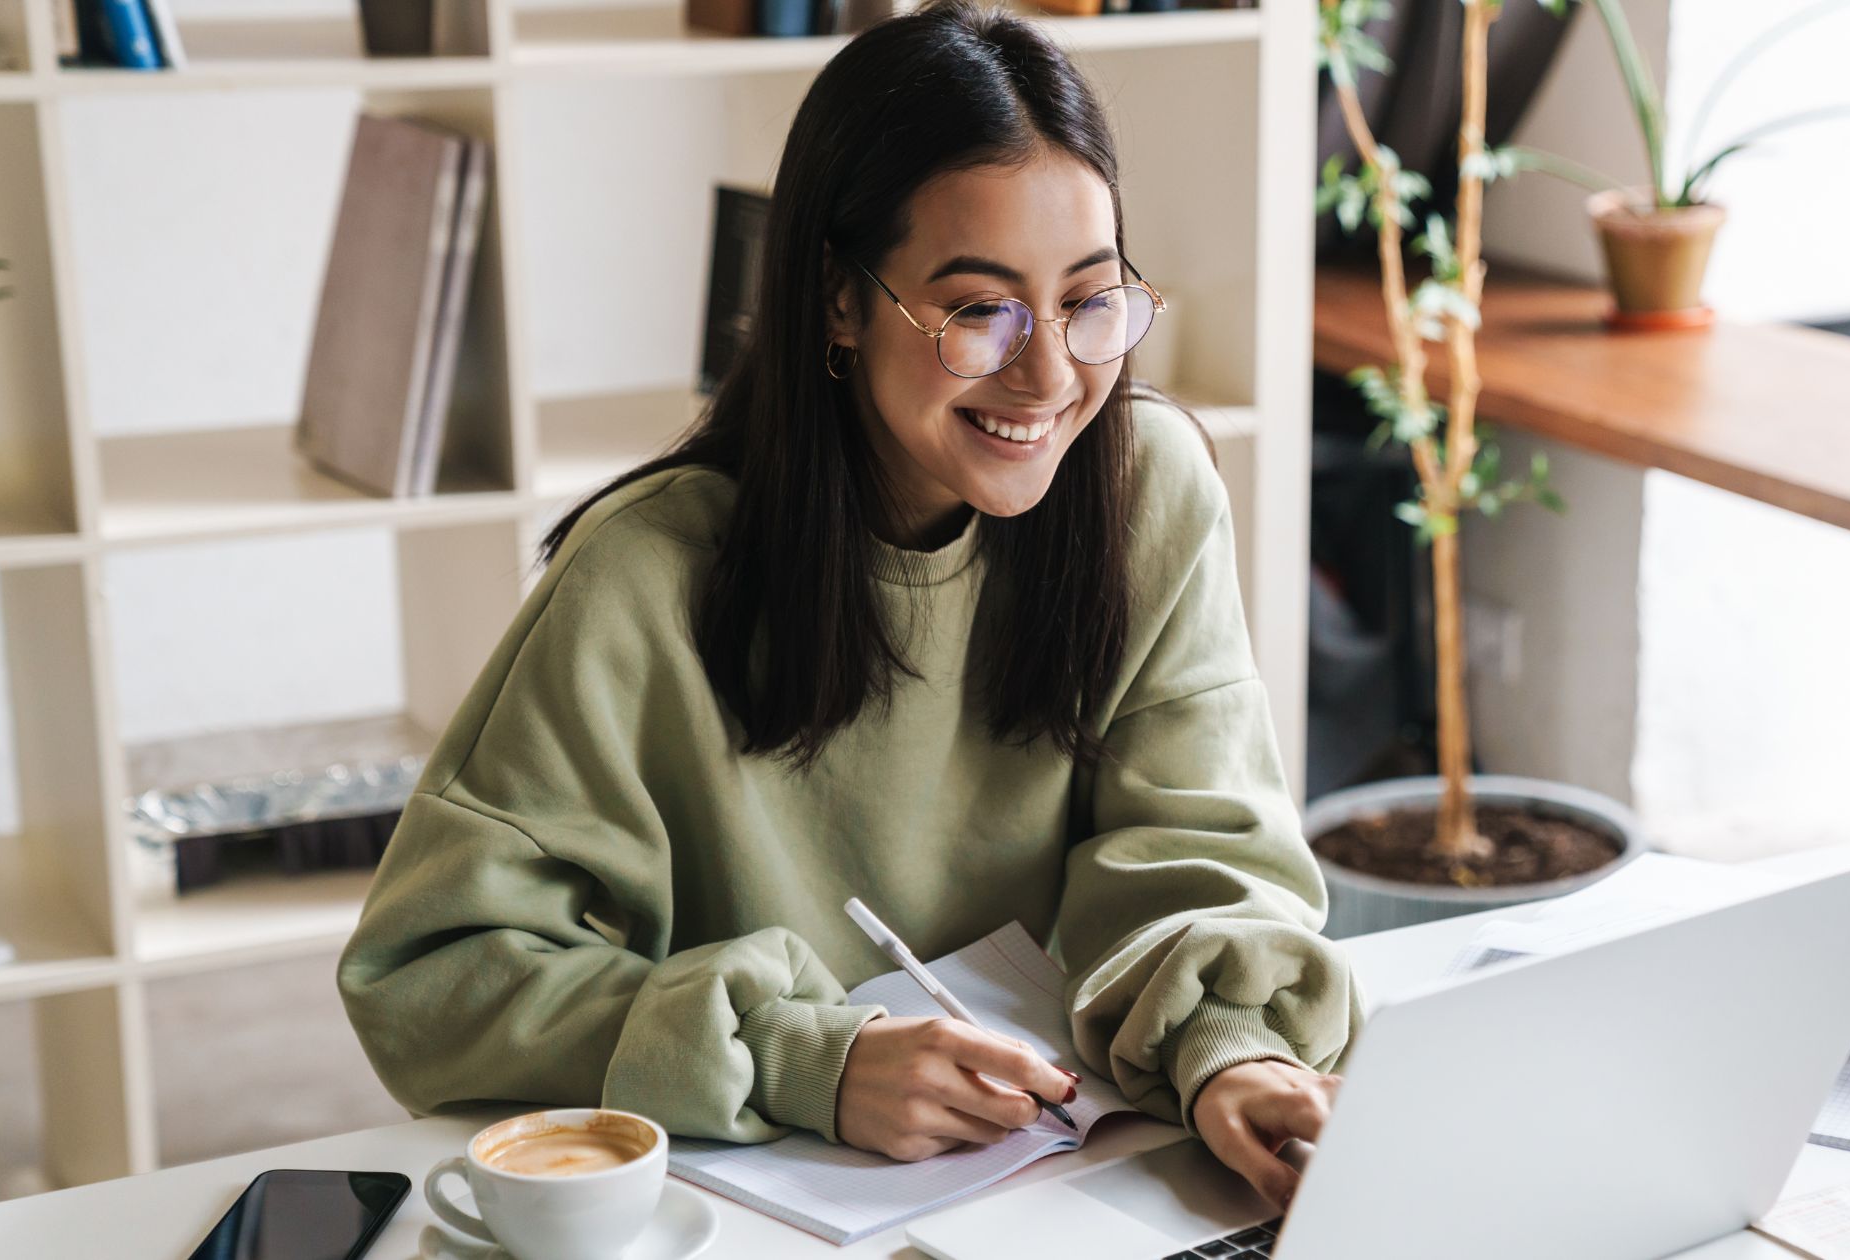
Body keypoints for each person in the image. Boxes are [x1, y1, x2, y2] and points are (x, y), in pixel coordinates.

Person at [337, 0, 1358, 1209]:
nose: (1050, 375)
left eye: (1090, 299)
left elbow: (1197, 853)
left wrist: (1229, 1046)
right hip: (760, 1213)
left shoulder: (1149, 492)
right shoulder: (643, 576)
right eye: (981, 311)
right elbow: (430, 977)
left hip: (1076, 1187)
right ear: (837, 299)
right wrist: (803, 1057)